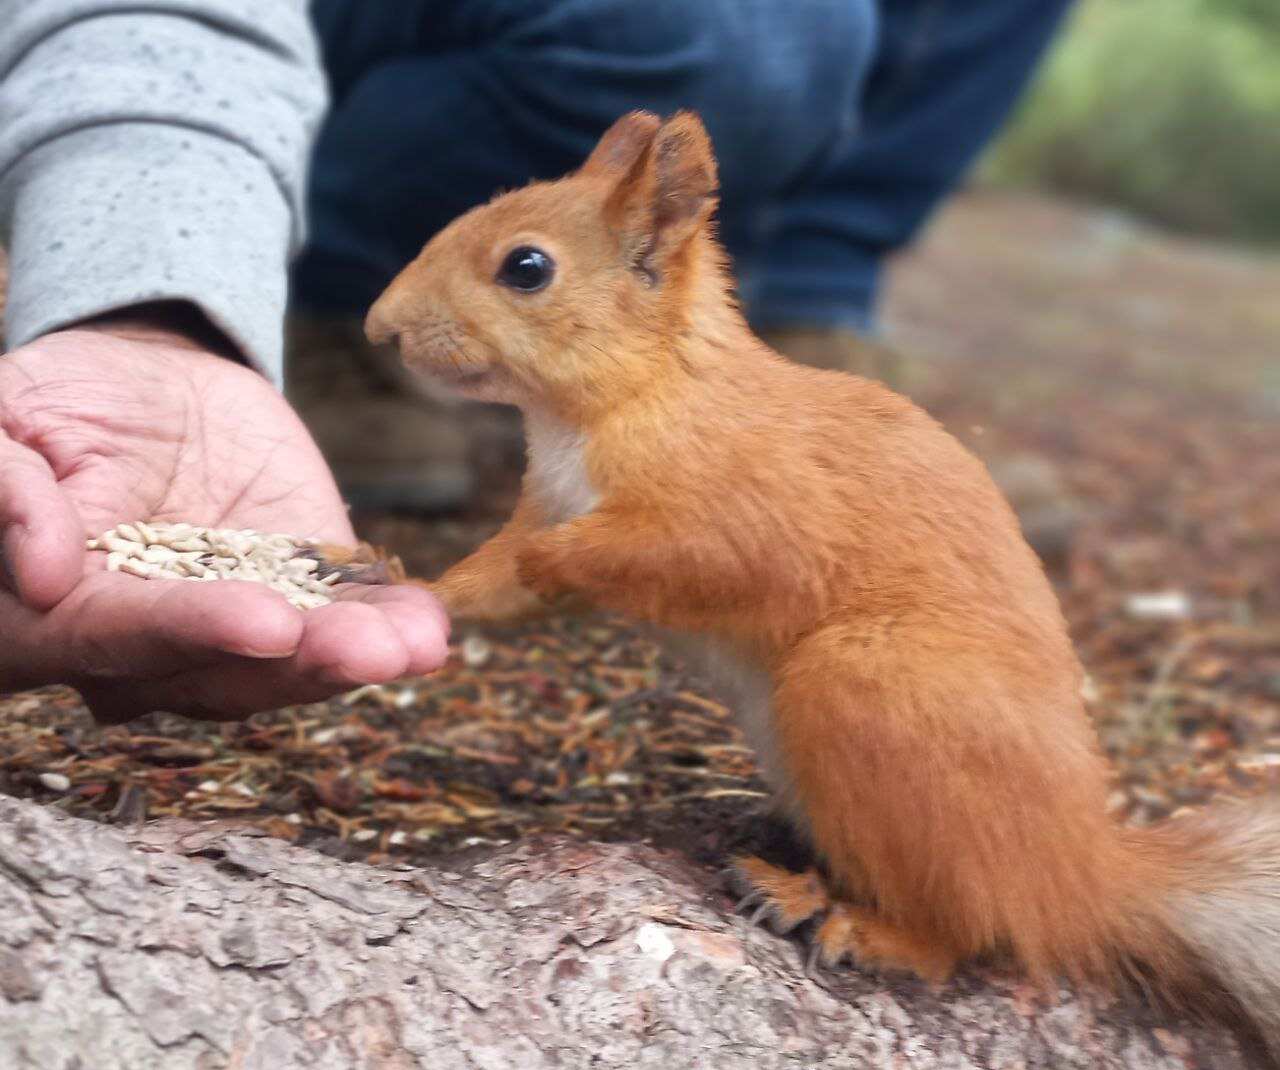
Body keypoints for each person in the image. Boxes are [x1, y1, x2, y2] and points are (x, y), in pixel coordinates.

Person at [0, 0, 1071, 721]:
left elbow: (698, 553)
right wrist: (152, 295)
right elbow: (542, 548)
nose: (401, 318)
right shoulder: (600, 436)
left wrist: (578, 556)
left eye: (521, 272)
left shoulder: (664, 435)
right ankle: (315, 290)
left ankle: (814, 286)